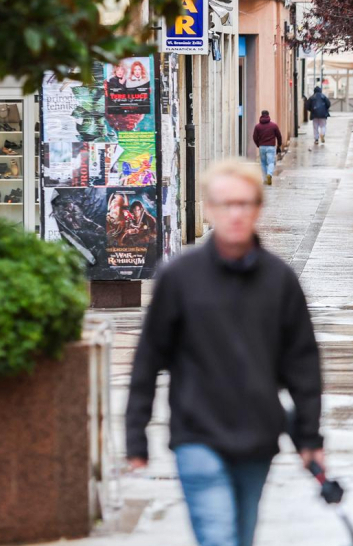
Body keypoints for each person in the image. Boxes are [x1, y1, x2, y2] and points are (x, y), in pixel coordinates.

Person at [125, 159, 324, 546]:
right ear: (210, 209)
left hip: (258, 438)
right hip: (197, 435)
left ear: (258, 208)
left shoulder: (279, 280)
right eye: (225, 204)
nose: (235, 213)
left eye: (244, 203)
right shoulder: (180, 277)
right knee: (219, 538)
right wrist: (136, 436)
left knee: (242, 536)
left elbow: (303, 365)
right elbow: (148, 358)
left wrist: (310, 440)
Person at [252, 110, 282, 186]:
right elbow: (279, 136)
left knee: (263, 163)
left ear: (261, 115)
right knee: (271, 162)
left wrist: (258, 144)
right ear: (268, 115)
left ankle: (265, 179)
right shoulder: (274, 125)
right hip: (271, 147)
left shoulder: (257, 126)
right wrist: (279, 145)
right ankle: (269, 174)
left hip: (262, 147)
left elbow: (254, 137)